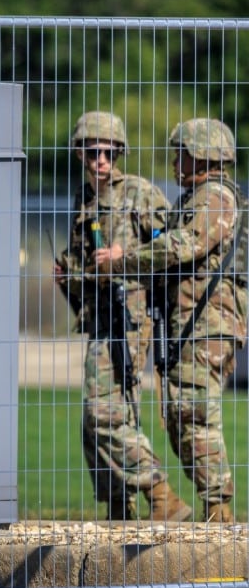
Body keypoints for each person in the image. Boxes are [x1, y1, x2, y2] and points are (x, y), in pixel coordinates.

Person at [94, 118, 246, 523]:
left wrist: (123, 259)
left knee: (195, 414)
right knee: (181, 416)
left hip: (207, 325)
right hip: (190, 325)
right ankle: (212, 510)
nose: (175, 162)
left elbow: (182, 247)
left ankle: (219, 515)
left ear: (202, 155)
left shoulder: (215, 199)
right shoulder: (194, 199)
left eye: (181, 154)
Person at [55, 111, 191, 522]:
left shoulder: (140, 194)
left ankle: (161, 494)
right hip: (99, 316)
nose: (101, 160)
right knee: (102, 418)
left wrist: (126, 262)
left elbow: (170, 248)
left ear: (119, 154)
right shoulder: (83, 201)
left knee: (103, 414)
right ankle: (120, 508)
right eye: (93, 151)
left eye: (109, 152)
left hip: (130, 317)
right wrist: (69, 274)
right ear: (80, 153)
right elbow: (88, 267)